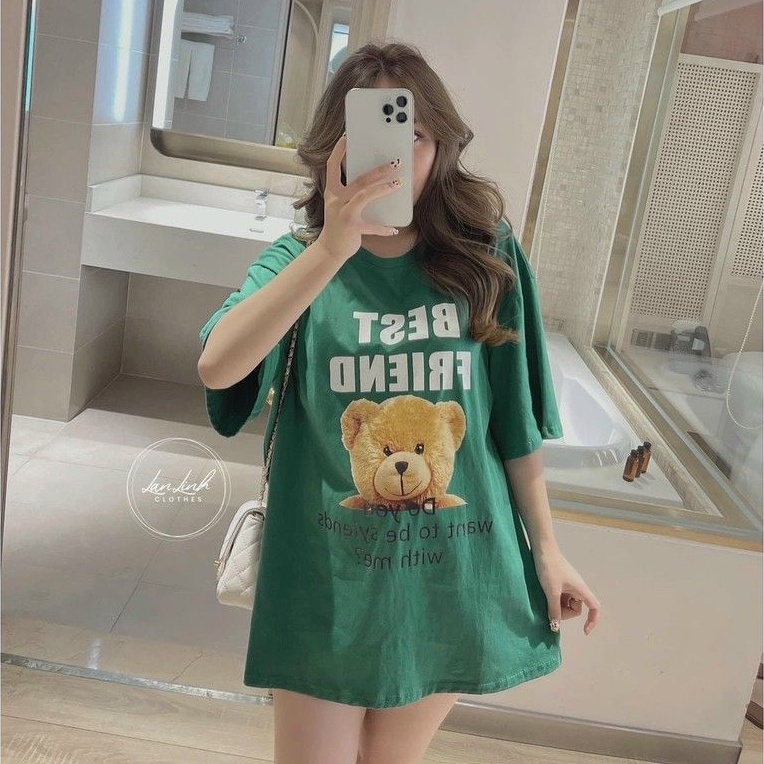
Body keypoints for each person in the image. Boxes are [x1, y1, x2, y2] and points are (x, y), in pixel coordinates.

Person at [198, 41, 600, 764]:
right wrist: (333, 250)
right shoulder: (299, 261)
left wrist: (548, 550)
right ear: (334, 148)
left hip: (452, 571)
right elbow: (218, 364)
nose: (395, 156)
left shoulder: (486, 257)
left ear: (440, 144)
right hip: (327, 574)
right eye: (375, 133)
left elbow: (512, 427)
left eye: (413, 134)